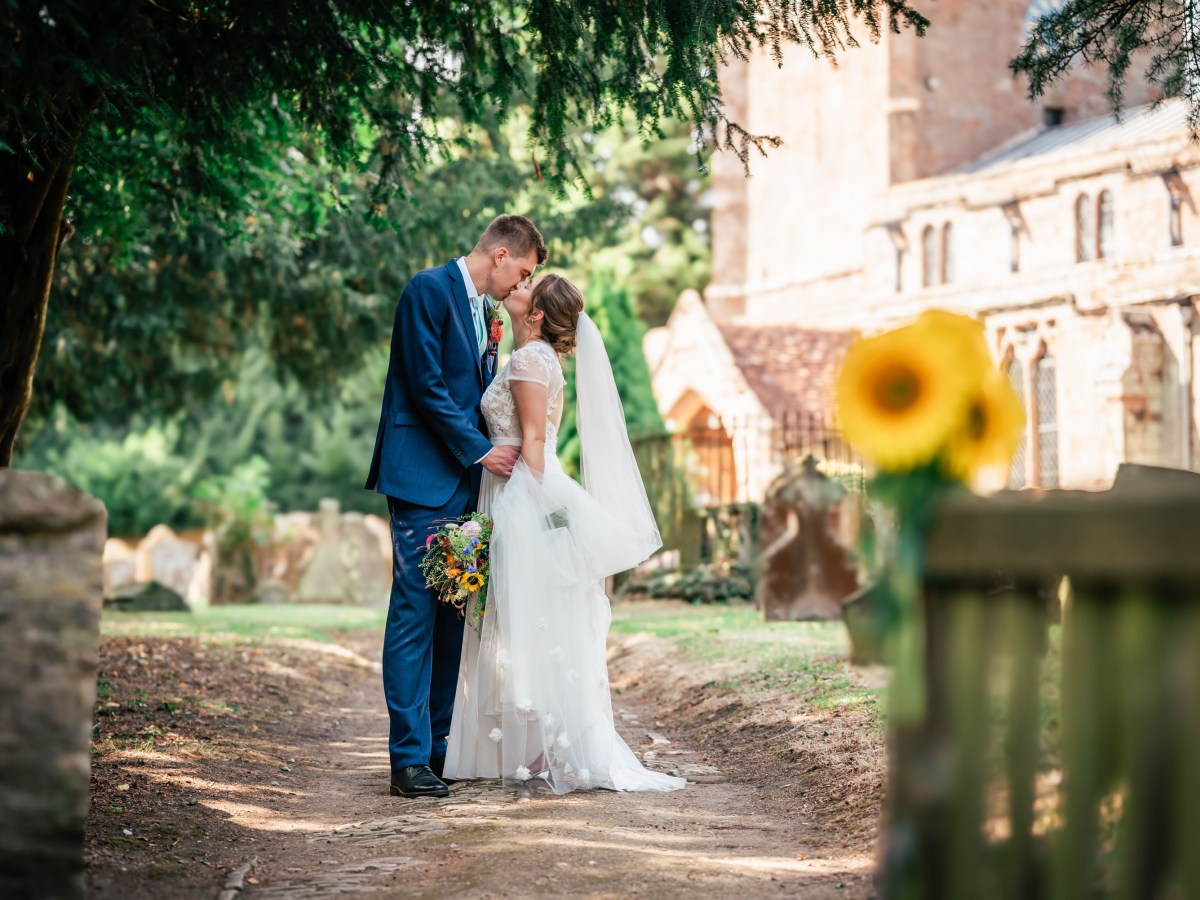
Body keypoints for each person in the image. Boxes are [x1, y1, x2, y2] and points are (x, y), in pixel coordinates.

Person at [444, 274, 686, 794]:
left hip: (524, 492)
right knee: (531, 623)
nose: (518, 283)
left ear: (537, 315)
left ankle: (545, 745)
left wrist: (521, 507)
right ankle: (537, 743)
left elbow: (533, 440)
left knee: (529, 623)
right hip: (515, 487)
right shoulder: (528, 354)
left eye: (529, 284)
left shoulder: (532, 361)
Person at [366, 215, 546, 799]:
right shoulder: (427, 289)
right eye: (520, 271)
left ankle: (439, 749)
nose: (520, 285)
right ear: (498, 254)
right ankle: (407, 758)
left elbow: (474, 391)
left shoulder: (485, 312)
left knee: (451, 624)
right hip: (422, 478)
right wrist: (481, 452)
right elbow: (424, 385)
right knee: (415, 615)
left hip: (465, 488)